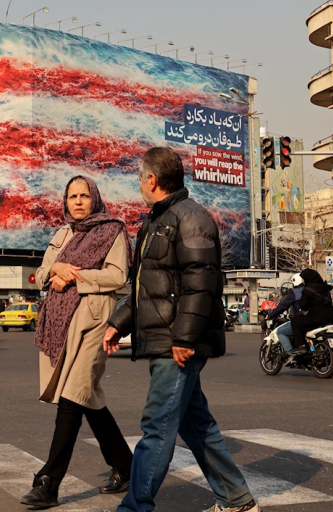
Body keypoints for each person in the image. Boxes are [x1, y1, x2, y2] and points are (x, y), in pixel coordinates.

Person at [103, 147, 259, 512]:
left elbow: (200, 284)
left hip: (175, 343)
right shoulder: (157, 221)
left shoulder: (192, 218)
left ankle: (134, 507)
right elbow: (146, 287)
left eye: (140, 178)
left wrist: (184, 339)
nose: (139, 184)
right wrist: (118, 323)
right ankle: (237, 500)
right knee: (194, 423)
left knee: (156, 427)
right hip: (166, 338)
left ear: (152, 180)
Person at [21, 175, 135, 509]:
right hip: (61, 321)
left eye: (84, 195)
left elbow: (117, 276)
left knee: (73, 397)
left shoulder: (111, 230)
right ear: (66, 201)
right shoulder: (63, 233)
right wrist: (57, 270)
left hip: (94, 321)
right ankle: (126, 465)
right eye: (73, 196)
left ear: (95, 198)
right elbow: (41, 273)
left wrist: (76, 275)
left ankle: (49, 482)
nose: (79, 201)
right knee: (88, 398)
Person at [291, 269, 333, 352]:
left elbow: (303, 305)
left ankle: (301, 346)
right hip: (332, 317)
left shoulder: (308, 289)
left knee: (295, 322)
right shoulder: (325, 287)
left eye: (303, 278)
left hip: (318, 318)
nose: (302, 281)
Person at [265, 274, 305, 356]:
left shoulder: (295, 293)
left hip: (302, 321)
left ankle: (290, 353)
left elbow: (282, 306)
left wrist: (271, 315)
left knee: (280, 332)